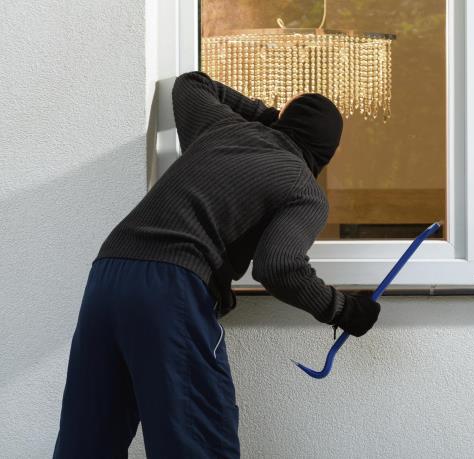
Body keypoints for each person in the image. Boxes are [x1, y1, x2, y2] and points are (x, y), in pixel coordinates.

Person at [53, 71, 381, 458]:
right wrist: (343, 309)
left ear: (284, 121)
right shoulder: (302, 187)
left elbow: (191, 84)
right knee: (199, 442)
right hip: (170, 288)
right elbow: (279, 267)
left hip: (107, 274)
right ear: (324, 156)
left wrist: (265, 115)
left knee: (88, 440)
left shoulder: (221, 129)